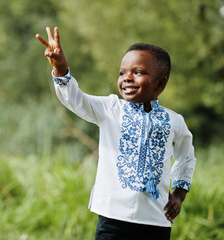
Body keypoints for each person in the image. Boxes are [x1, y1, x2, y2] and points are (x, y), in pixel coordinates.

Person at [36, 27, 196, 240]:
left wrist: (178, 194)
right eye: (122, 73)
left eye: (137, 72)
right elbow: (76, 99)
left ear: (160, 83)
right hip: (113, 218)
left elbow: (186, 157)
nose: (127, 78)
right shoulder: (110, 109)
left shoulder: (174, 121)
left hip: (156, 220)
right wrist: (61, 68)